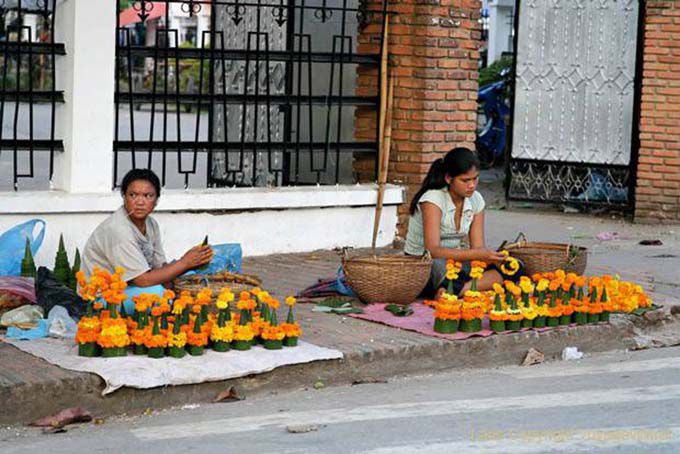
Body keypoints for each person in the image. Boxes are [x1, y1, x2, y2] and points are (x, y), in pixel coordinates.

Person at [82, 169, 212, 311]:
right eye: (133, 195)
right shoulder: (118, 229)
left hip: (131, 288)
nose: (140, 202)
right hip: (102, 298)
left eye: (148, 196)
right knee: (158, 294)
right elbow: (142, 280)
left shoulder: (151, 224)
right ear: (124, 196)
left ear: (156, 200)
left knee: (183, 280)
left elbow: (159, 268)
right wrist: (185, 262)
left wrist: (190, 263)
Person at [404, 147, 521, 297]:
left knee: (514, 267)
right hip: (424, 263)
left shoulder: (476, 199)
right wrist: (478, 254)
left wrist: (491, 258)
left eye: (475, 178)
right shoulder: (433, 199)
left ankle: (458, 290)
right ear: (448, 178)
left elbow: (477, 247)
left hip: (456, 261)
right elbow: (432, 250)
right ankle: (460, 287)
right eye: (465, 180)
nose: (472, 185)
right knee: (448, 270)